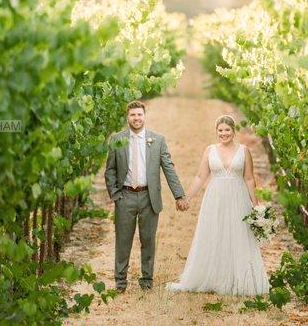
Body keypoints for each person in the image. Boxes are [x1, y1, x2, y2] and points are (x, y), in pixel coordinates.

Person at [166, 115, 269, 296]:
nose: (224, 133)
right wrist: (186, 198)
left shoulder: (243, 151)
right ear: (216, 132)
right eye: (220, 130)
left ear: (233, 131)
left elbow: (249, 178)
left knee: (237, 235)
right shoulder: (210, 150)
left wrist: (256, 207)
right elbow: (200, 177)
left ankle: (240, 279)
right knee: (215, 234)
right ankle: (214, 277)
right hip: (215, 198)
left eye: (227, 130)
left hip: (237, 198)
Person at [104, 100, 189, 293]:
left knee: (148, 240)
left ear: (145, 116)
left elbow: (169, 169)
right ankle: (120, 282)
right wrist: (115, 194)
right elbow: (109, 170)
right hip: (125, 196)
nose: (136, 118)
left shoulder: (157, 140)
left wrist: (179, 195)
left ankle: (147, 280)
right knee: (123, 240)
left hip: (148, 197)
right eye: (133, 115)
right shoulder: (117, 139)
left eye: (139, 114)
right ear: (128, 117)